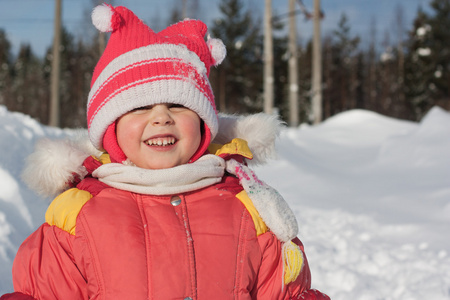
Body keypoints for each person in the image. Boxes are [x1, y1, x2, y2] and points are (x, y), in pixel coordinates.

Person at [1, 4, 330, 300]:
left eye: (178, 104)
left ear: (203, 125)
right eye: (140, 107)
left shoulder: (250, 209)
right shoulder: (77, 217)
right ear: (111, 130)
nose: (161, 117)